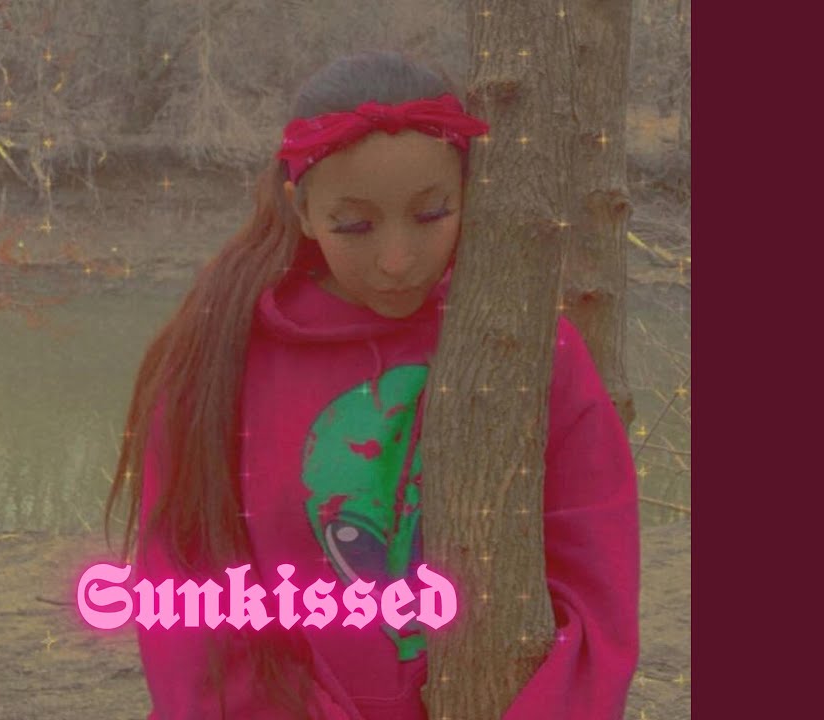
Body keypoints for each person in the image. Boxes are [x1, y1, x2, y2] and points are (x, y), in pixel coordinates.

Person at [103, 49, 640, 720]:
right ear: (302, 211)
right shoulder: (215, 361)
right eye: (354, 225)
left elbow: (595, 588)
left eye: (432, 213)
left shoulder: (532, 348)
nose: (396, 260)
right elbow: (188, 613)